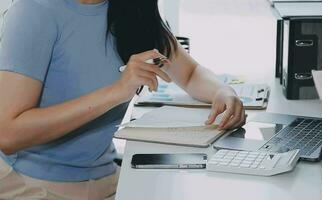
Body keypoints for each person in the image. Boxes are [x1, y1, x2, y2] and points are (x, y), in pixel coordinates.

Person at [0, 0, 245, 199]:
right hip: (28, 182)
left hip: (106, 180)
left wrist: (223, 92)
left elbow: (189, 73)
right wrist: (118, 90)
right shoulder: (34, 10)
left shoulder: (132, 10)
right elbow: (8, 134)